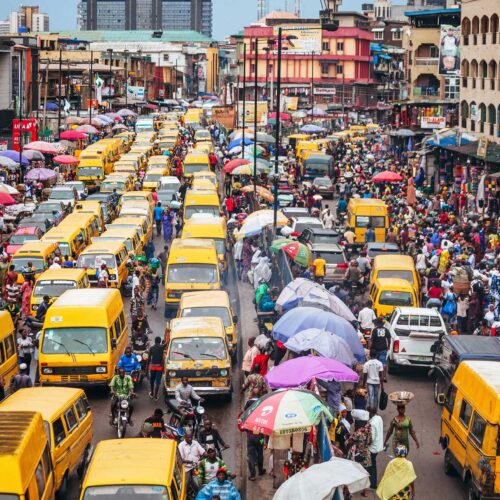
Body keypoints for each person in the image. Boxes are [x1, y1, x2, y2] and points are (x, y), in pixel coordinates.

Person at [346, 409, 372, 497]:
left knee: (353, 472)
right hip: (366, 453)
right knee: (365, 473)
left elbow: (349, 442)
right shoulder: (368, 430)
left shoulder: (357, 433)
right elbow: (370, 441)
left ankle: (350, 491)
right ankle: (366, 491)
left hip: (357, 455)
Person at [367, 406, 384, 490]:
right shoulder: (379, 418)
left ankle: (373, 484)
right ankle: (372, 483)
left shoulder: (372, 424)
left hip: (373, 448)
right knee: (373, 464)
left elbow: (371, 438)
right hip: (378, 446)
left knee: (371, 466)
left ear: (370, 413)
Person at [148, 336, 166, 401]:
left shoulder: (151, 348)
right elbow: (166, 343)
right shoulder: (162, 347)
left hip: (152, 367)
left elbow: (149, 359)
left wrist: (146, 368)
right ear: (160, 341)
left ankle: (152, 393)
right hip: (159, 367)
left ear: (155, 341)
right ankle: (155, 396)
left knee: (152, 381)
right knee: (157, 382)